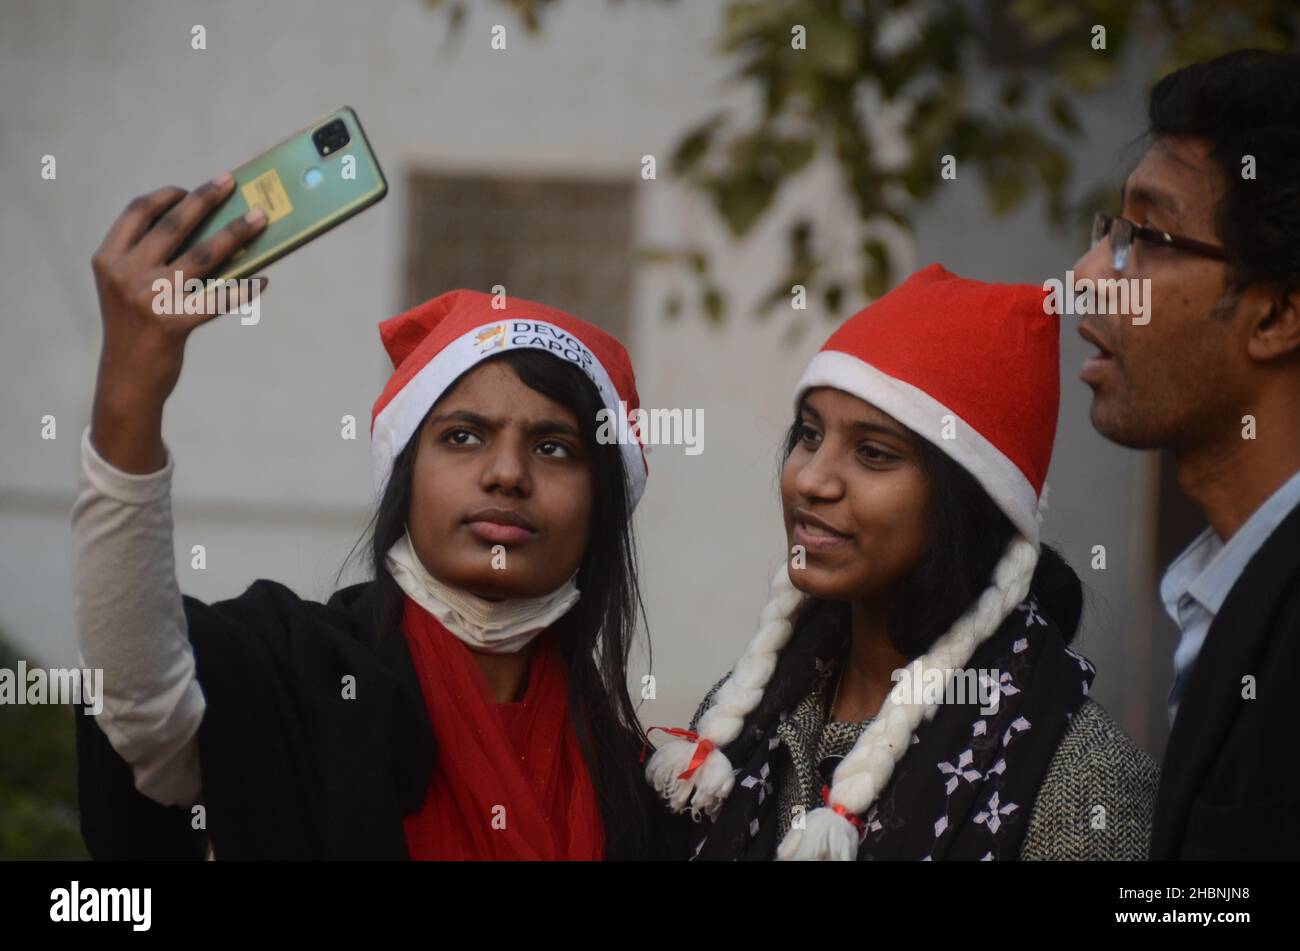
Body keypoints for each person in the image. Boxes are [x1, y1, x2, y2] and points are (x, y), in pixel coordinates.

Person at [72, 176, 682, 859]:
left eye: (553, 447)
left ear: (602, 505)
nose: (507, 472)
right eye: (463, 435)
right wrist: (129, 391)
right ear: (404, 475)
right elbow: (138, 700)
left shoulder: (650, 795)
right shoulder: (289, 671)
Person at [645, 264, 1157, 860]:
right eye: (809, 435)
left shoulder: (1080, 775)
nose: (811, 479)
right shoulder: (736, 719)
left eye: (872, 453)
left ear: (970, 502)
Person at [1072, 49, 1300, 859]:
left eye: (1149, 236)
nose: (1091, 273)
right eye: (1110, 233)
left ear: (1275, 316)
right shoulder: (1227, 588)